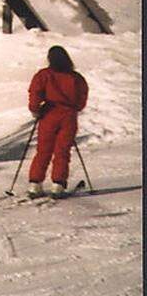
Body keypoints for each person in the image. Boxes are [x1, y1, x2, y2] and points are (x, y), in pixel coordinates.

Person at [26, 46, 89, 199]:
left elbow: (35, 93)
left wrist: (35, 109)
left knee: (43, 150)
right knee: (62, 150)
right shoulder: (76, 77)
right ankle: (58, 184)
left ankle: (35, 184)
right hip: (68, 116)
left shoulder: (44, 75)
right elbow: (82, 97)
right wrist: (75, 108)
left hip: (49, 114)